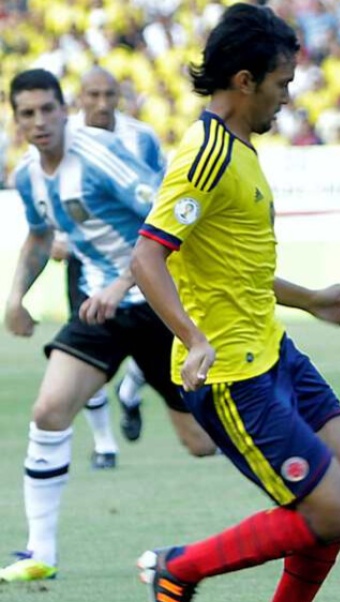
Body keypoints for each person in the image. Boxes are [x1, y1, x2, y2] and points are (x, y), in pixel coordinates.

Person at [131, 4, 340, 602]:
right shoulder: (205, 154)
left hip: (273, 353)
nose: (287, 97)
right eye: (281, 83)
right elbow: (146, 258)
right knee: (331, 510)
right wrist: (192, 338)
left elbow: (238, 268)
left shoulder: (240, 148)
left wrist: (312, 299)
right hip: (233, 377)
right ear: (244, 81)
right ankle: (179, 568)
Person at [1, 68, 217, 584]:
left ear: (64, 110)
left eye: (47, 110)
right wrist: (15, 297)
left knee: (202, 442)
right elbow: (39, 235)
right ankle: (41, 551)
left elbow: (166, 217)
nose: (39, 121)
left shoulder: (100, 157)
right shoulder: (28, 174)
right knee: (49, 411)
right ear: (17, 121)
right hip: (99, 308)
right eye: (27, 113)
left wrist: (123, 283)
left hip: (158, 302)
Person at [52, 66, 168, 468]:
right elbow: (52, 193)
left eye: (109, 95)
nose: (102, 104)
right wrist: (59, 237)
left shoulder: (141, 138)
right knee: (87, 350)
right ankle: (104, 443)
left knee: (163, 342)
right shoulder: (63, 139)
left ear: (119, 97)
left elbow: (163, 196)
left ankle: (131, 391)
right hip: (87, 263)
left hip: (145, 261)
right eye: (93, 95)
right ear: (79, 98)